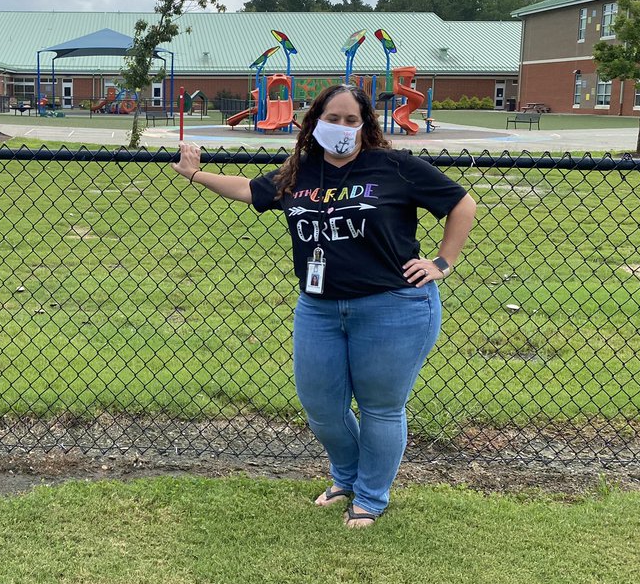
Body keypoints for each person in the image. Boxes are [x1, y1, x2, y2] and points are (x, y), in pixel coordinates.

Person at [172, 84, 476, 527]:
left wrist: (442, 262)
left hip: (393, 305)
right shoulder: (301, 171)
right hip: (319, 307)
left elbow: (461, 203)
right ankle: (348, 476)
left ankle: (370, 496)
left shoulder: (393, 166)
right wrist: (195, 175)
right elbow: (249, 190)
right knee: (322, 405)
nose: (341, 127)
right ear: (314, 122)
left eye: (352, 120)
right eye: (333, 118)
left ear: (365, 127)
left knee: (380, 406)